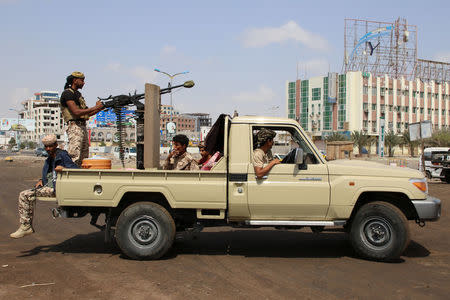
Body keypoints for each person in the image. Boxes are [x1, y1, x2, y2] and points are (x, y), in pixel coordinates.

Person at [10, 134, 78, 239]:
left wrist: (63, 168)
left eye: (50, 146)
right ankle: (26, 226)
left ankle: (26, 226)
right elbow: (49, 173)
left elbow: (76, 170)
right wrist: (41, 180)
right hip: (49, 185)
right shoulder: (50, 158)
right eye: (46, 146)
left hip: (57, 188)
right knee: (27, 195)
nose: (48, 149)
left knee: (24, 195)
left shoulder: (62, 155)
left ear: (56, 145)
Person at [60, 71, 104, 166]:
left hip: (82, 126)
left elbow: (86, 114)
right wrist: (96, 107)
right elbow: (76, 112)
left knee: (84, 156)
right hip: (74, 126)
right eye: (82, 80)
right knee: (74, 155)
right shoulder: (67, 93)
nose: (84, 83)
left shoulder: (78, 95)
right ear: (75, 80)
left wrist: (100, 108)